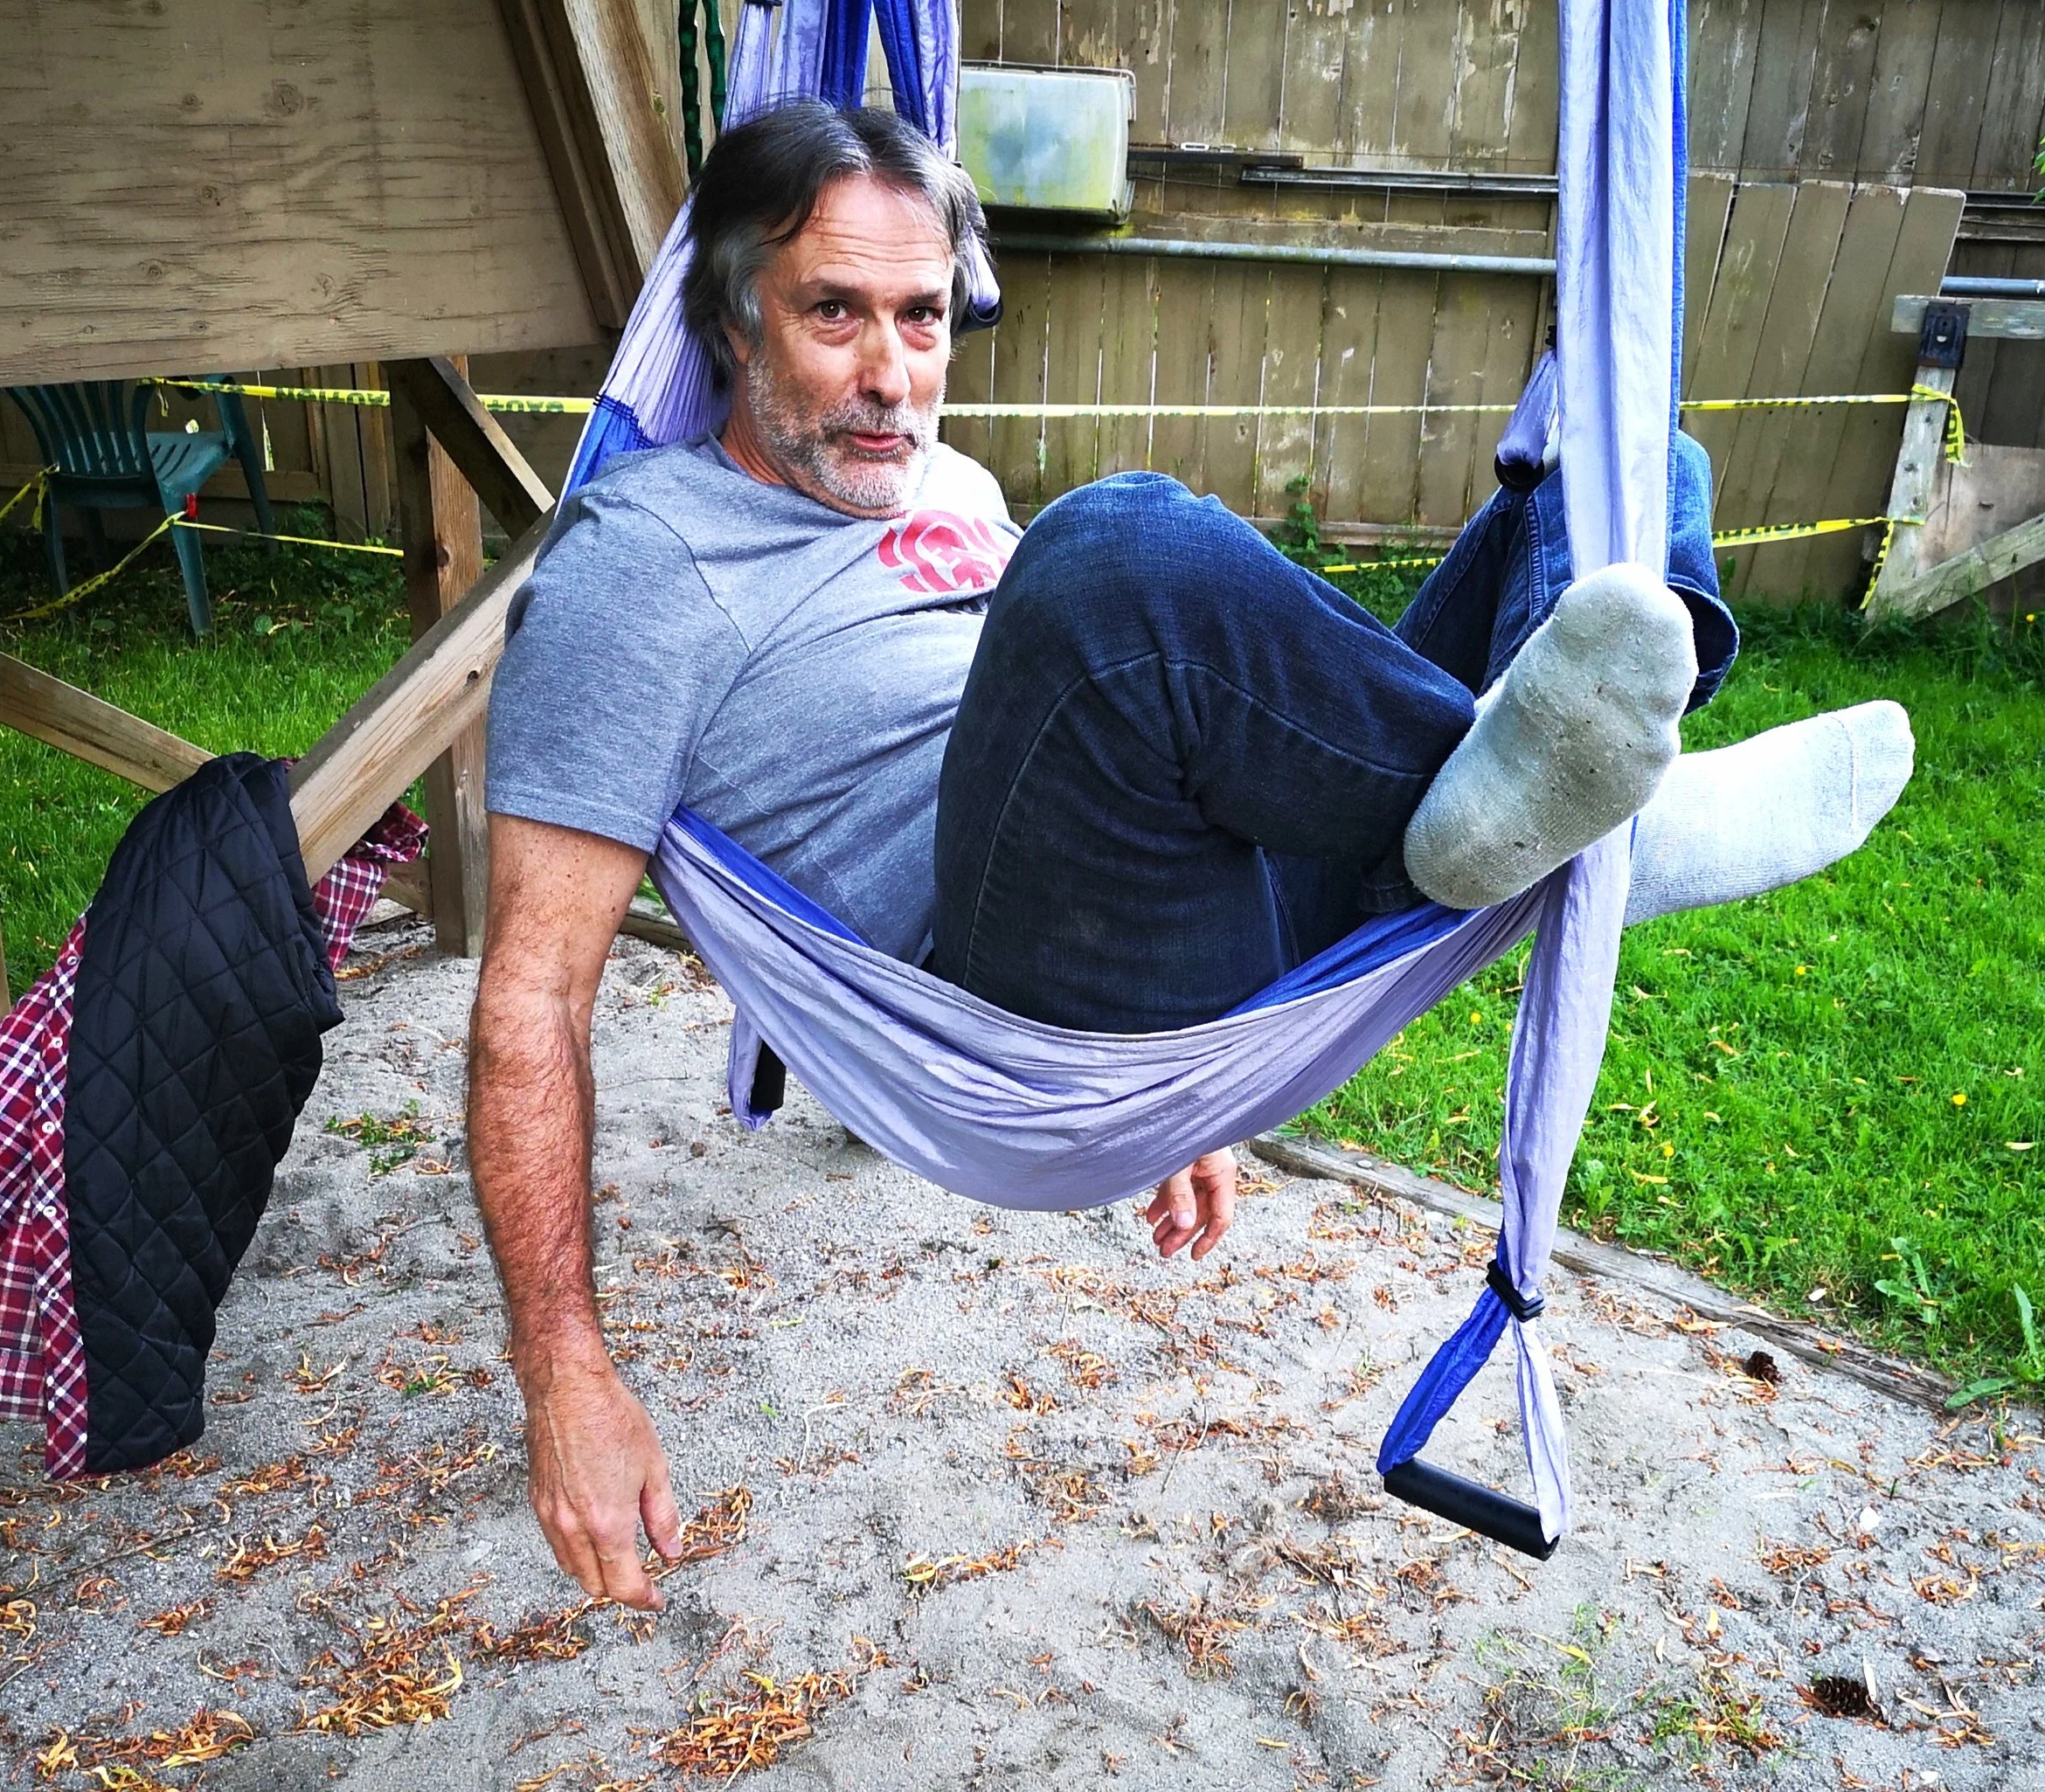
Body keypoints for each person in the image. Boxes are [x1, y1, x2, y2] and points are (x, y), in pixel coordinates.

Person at [468, 102, 1912, 1610]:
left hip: (1194, 929)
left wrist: (1193, 1080)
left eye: (921, 315)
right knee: (1111, 557)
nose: (894, 375)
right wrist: (562, 1370)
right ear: (729, 318)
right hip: (1012, 1023)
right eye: (834, 312)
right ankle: (1578, 816)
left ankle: (1535, 802)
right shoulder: (635, 569)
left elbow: (1088, 748)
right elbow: (530, 996)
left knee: (1615, 443)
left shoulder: (946, 486)